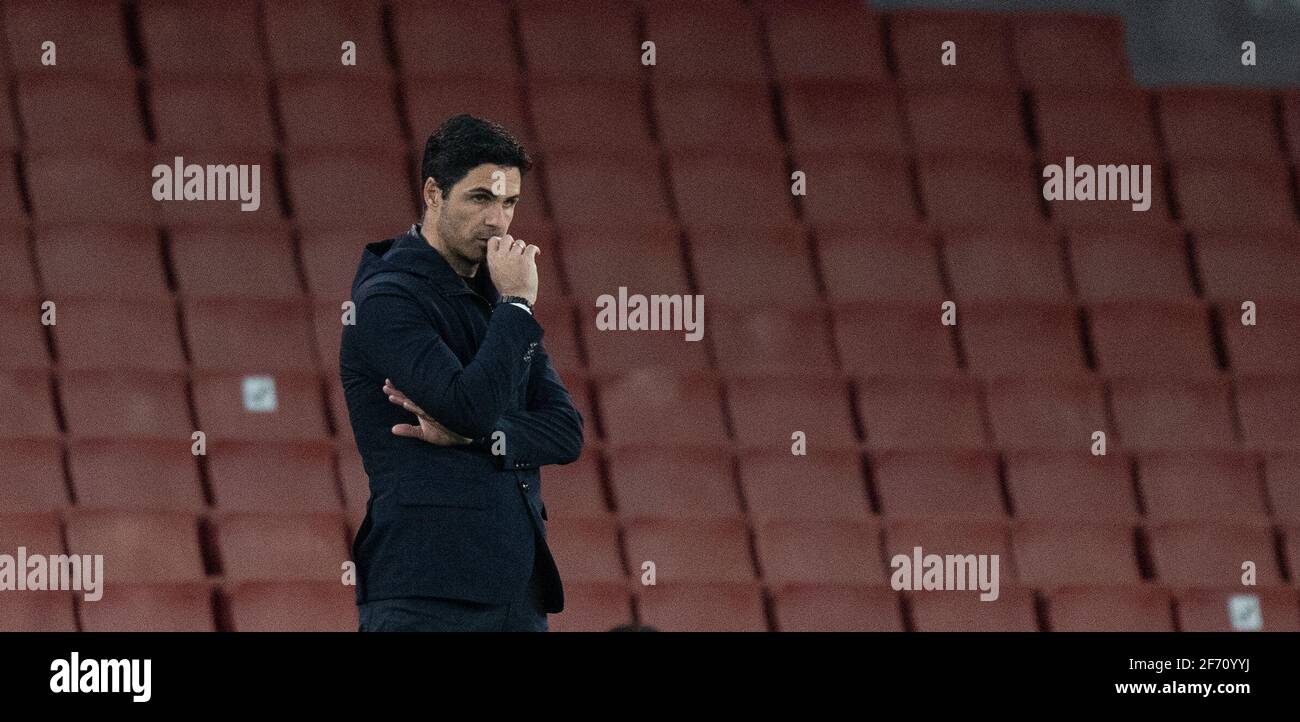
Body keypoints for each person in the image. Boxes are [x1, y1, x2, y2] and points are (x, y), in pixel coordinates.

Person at [340, 114, 583, 631]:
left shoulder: (496, 301)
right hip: (425, 592)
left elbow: (565, 432)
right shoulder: (387, 298)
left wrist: (476, 437)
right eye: (480, 198)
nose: (498, 220)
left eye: (509, 202)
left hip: (517, 595)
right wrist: (518, 304)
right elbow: (466, 406)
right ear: (433, 193)